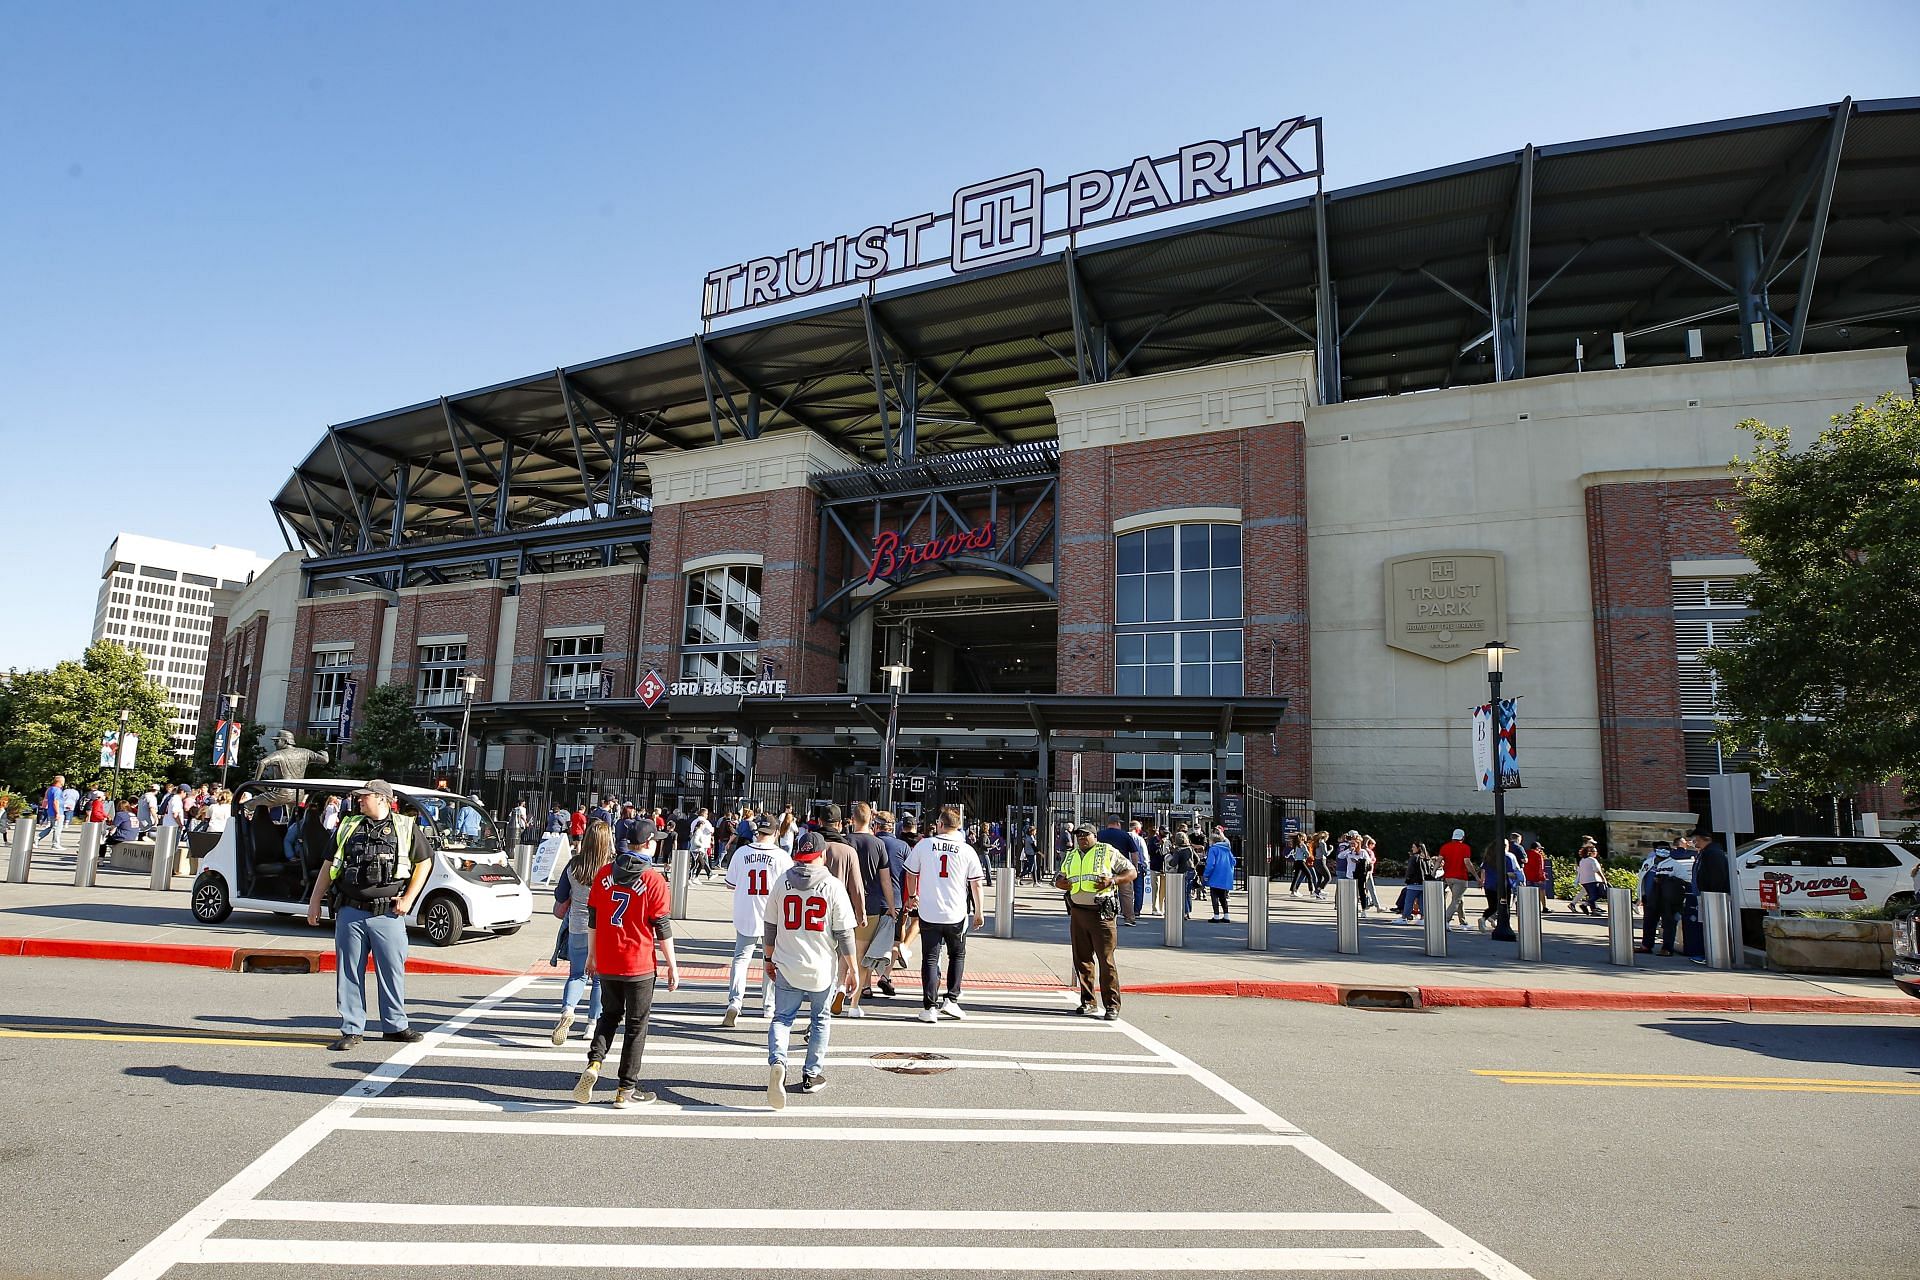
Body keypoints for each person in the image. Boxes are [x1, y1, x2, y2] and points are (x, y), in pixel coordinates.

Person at [305, 780, 434, 1052]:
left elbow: (424, 862)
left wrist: (409, 898)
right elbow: (329, 865)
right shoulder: (348, 825)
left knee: (392, 971)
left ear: (383, 799)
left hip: (388, 912)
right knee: (349, 972)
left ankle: (395, 1026)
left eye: (365, 797)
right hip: (350, 910)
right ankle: (352, 1029)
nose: (360, 800)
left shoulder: (405, 826)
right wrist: (315, 901)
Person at [574, 820, 679, 1107]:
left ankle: (594, 1063)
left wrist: (592, 956)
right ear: (647, 844)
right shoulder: (654, 879)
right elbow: (662, 926)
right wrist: (672, 964)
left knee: (608, 1016)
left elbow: (593, 919)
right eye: (654, 840)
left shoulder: (605, 873)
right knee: (636, 1025)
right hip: (639, 962)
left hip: (607, 958)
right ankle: (625, 1088)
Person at [762, 828, 859, 1107]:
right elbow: (844, 933)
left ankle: (778, 1060)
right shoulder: (832, 886)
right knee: (820, 1019)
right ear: (823, 855)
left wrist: (769, 959)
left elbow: (770, 926)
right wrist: (852, 968)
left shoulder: (782, 882)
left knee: (782, 1018)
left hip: (787, 962)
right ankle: (812, 1074)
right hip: (821, 967)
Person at [903, 805, 984, 1023]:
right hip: (956, 912)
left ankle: (930, 1006)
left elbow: (910, 873)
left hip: (929, 911)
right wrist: (979, 911)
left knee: (930, 957)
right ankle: (952, 999)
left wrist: (912, 895)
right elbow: (976, 884)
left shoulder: (925, 845)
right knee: (957, 955)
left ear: (940, 824)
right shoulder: (967, 850)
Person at [1055, 823, 1136, 1019]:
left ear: (1094, 836)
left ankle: (1112, 1005)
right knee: (1082, 959)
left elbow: (1132, 872)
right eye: (1078, 836)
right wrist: (1060, 883)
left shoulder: (1106, 851)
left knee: (1106, 960)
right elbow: (1061, 877)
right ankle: (1088, 1001)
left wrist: (1113, 881)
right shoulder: (1072, 855)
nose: (1081, 838)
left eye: (1085, 835)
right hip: (1078, 912)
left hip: (1101, 913)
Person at [720, 814, 791, 1027]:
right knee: (770, 961)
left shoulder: (742, 853)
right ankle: (768, 1006)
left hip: (746, 911)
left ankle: (735, 1001)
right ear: (776, 833)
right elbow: (788, 888)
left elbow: (730, 884)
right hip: (772, 915)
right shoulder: (781, 856)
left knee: (741, 959)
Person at [550, 821, 613, 1045]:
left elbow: (560, 895)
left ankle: (568, 1009)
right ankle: (592, 1025)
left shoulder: (574, 865)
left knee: (577, 975)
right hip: (603, 930)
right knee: (598, 980)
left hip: (578, 926)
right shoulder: (611, 868)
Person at [842, 801, 894, 1019]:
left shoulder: (845, 842)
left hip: (844, 903)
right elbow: (885, 881)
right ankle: (854, 1002)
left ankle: (839, 988)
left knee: (841, 952)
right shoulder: (878, 844)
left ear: (852, 819)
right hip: (870, 904)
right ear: (870, 820)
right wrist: (891, 907)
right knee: (862, 955)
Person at [1637, 842, 1686, 955]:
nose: (1663, 851)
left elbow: (1684, 881)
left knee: (1669, 924)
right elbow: (1641, 880)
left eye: (1666, 849)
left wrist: (1666, 880)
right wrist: (1640, 896)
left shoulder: (1675, 865)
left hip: (1667, 901)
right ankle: (1646, 946)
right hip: (1649, 898)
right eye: (1660, 849)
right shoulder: (1648, 862)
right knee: (1648, 923)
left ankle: (1667, 948)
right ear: (1655, 850)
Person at [1435, 829, 1475, 930]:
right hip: (1461, 877)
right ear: (1462, 837)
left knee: (1458, 898)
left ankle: (1463, 921)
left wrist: (1433, 872)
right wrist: (1476, 876)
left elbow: (1439, 860)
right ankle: (1445, 920)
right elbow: (1467, 862)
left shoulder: (1445, 846)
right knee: (1456, 900)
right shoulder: (1465, 847)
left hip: (1448, 877)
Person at [1202, 830, 1235, 922]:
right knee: (1223, 896)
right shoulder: (1227, 849)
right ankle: (1226, 915)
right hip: (1226, 876)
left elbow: (1210, 864)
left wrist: (1206, 875)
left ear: (1213, 841)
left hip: (1215, 875)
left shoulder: (1213, 849)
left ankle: (1216, 916)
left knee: (1214, 896)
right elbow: (1233, 861)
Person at [1163, 828, 1195, 920]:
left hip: (1183, 871)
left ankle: (1185, 912)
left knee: (1183, 893)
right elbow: (1197, 859)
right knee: (1188, 892)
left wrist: (1169, 858)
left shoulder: (1178, 850)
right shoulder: (1190, 848)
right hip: (1191, 870)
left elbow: (1174, 863)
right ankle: (1189, 911)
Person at [1399, 842, 1433, 923]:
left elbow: (1410, 870)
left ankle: (1405, 917)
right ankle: (1423, 918)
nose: (1412, 848)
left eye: (1414, 847)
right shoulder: (1427, 859)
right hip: (1424, 883)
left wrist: (1407, 879)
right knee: (1422, 902)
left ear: (1418, 848)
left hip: (1414, 882)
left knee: (1409, 901)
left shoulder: (1414, 858)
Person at [1575, 840, 1607, 915]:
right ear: (1590, 853)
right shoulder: (1592, 860)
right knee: (1597, 895)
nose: (1596, 853)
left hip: (1584, 881)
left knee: (1591, 895)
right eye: (1594, 851)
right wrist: (1603, 878)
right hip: (1592, 880)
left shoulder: (1582, 860)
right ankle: (1585, 904)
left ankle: (1593, 910)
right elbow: (1597, 870)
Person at [1523, 839, 1554, 914]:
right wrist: (1541, 878)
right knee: (1542, 892)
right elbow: (1541, 868)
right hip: (1537, 877)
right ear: (1537, 848)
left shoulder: (1526, 854)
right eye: (1540, 849)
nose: (1540, 850)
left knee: (1529, 894)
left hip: (1528, 877)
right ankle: (1544, 907)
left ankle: (1530, 908)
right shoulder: (1538, 855)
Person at [37, 774, 67, 850]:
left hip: (50, 811)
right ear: (60, 781)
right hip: (57, 811)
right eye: (63, 780)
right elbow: (55, 801)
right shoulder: (57, 790)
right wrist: (57, 813)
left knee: (50, 827)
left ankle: (36, 839)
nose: (64, 782)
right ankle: (55, 844)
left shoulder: (50, 789)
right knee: (57, 828)